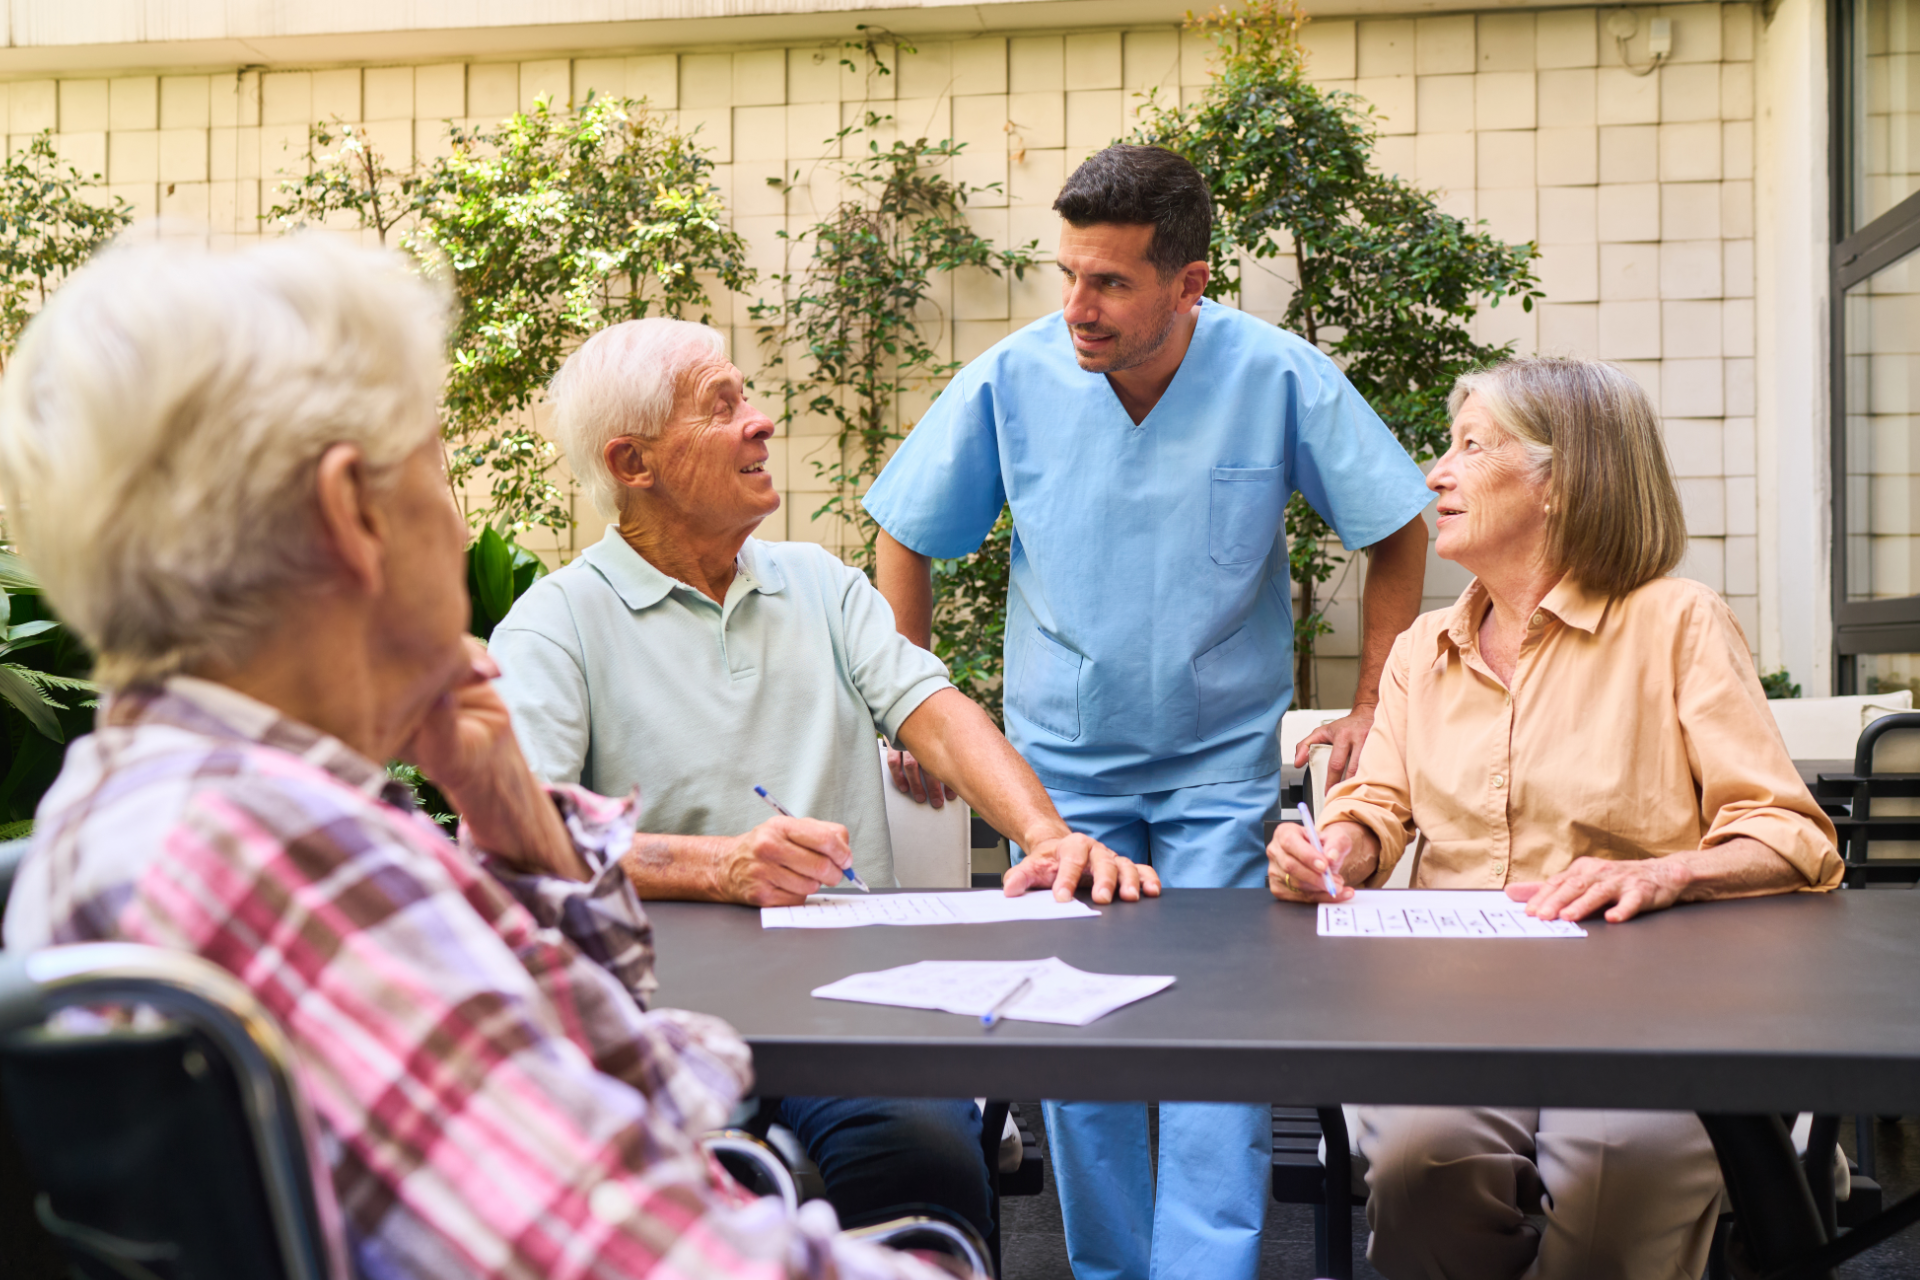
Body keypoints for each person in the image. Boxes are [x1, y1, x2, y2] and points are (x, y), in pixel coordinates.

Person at [0, 234, 956, 1280]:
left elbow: (597, 1088)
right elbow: (640, 1255)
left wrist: (512, 815)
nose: (457, 531)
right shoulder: (299, 865)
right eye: (437, 473)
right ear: (351, 514)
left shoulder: (136, 802)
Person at [861, 144, 1434, 1280]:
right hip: (1066, 775)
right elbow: (906, 529)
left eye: (1111, 281)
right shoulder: (1012, 379)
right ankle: (1113, 1271)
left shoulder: (1275, 375)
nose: (1078, 304)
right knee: (1084, 1039)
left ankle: (1204, 1271)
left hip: (1221, 763)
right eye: (1068, 272)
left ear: (1189, 283)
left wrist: (1375, 704)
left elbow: (1397, 527)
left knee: (1216, 1034)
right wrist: (909, 694)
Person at [488, 316, 1160, 1247]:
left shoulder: (821, 585)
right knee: (685, 1198)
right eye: (722, 407)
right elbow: (524, 838)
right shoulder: (552, 626)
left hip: (849, 1001)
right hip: (654, 1011)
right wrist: (720, 866)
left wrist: (1046, 836)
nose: (761, 421)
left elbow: (940, 716)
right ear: (633, 462)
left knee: (924, 1158)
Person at [1267, 356, 1843, 1280]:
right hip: (1456, 1008)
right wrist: (1334, 847)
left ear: (1561, 482)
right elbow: (1377, 806)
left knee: (1628, 1184)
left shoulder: (1679, 624)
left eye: (1469, 448)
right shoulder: (1424, 646)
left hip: (1651, 1016)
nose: (1434, 474)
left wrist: (1664, 872)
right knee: (1420, 1174)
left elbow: (1793, 835)